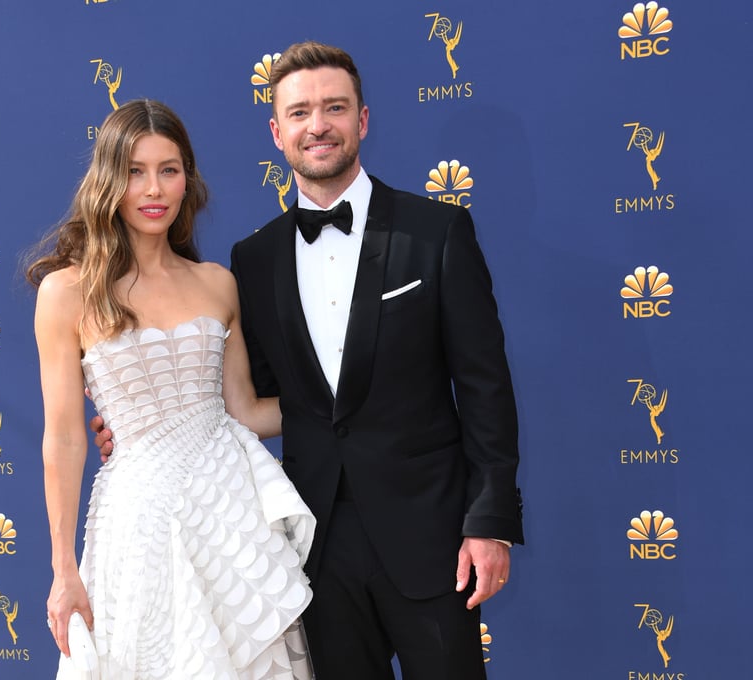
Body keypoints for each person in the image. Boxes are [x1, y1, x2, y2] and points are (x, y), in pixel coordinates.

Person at [96, 41, 524, 679]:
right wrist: (144, 425)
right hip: (313, 547)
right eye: (299, 113)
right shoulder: (254, 259)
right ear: (277, 132)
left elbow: (486, 390)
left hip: (431, 536)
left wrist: (488, 522)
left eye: (334, 107)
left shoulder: (436, 233)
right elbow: (251, 399)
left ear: (362, 121)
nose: (317, 125)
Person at [26, 98, 316, 679]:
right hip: (138, 524)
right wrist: (64, 570)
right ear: (109, 180)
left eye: (169, 169)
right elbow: (62, 439)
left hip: (230, 518)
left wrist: (344, 400)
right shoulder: (67, 292)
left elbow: (247, 412)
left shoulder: (218, 284)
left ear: (189, 180)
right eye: (135, 171)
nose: (153, 188)